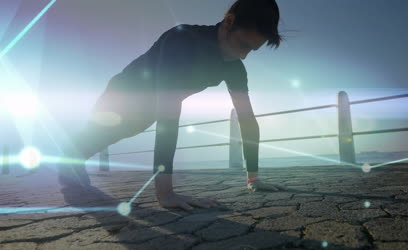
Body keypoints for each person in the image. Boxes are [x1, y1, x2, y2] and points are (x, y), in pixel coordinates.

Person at [58, 0, 286, 212]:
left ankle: (73, 158)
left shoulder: (234, 67)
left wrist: (253, 178)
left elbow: (247, 119)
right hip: (121, 95)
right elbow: (169, 112)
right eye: (242, 45)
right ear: (229, 22)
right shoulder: (182, 39)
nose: (243, 56)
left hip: (149, 109)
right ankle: (68, 158)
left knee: (125, 131)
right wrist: (166, 194)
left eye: (251, 50)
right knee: (99, 136)